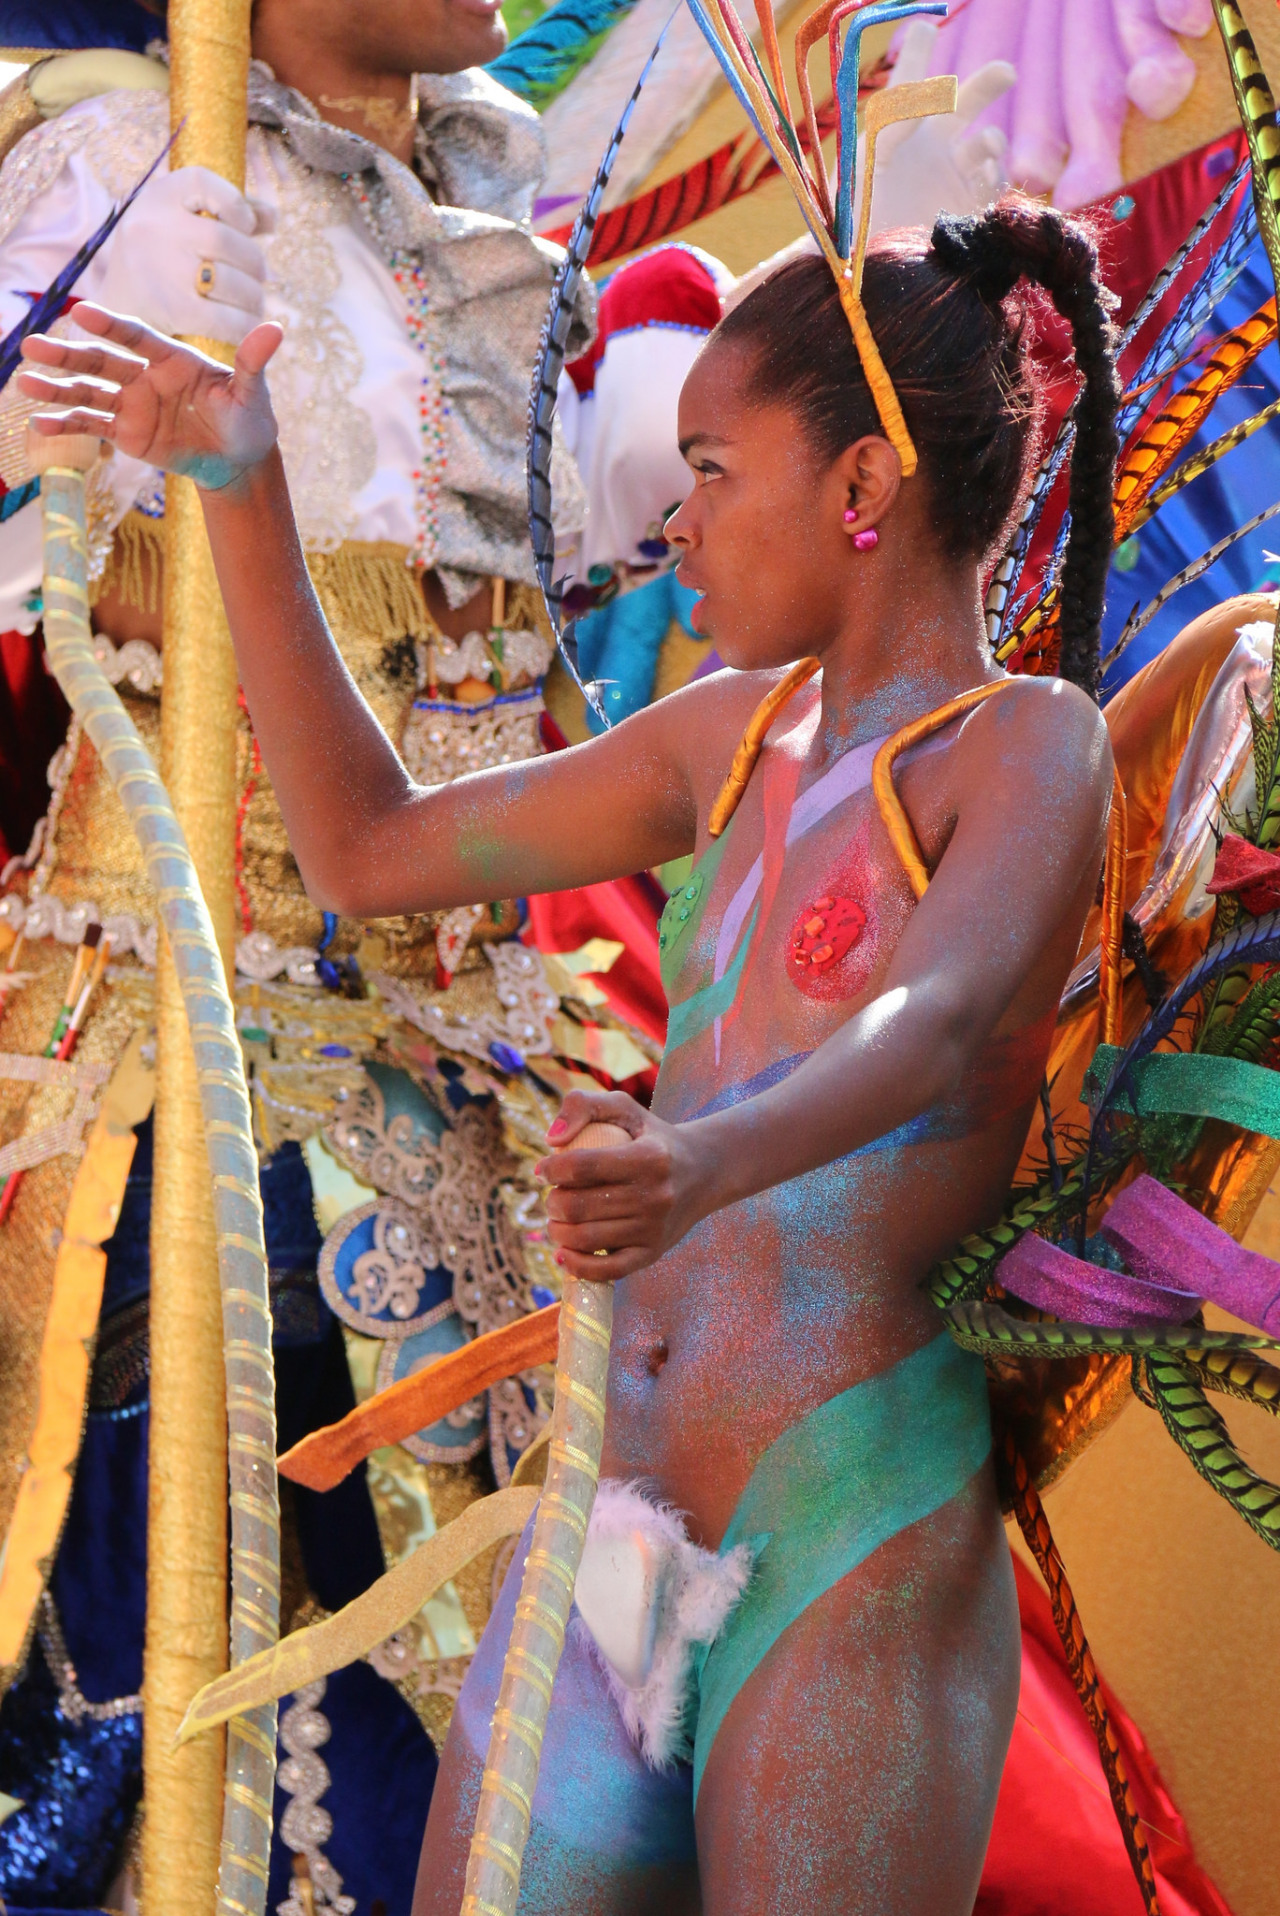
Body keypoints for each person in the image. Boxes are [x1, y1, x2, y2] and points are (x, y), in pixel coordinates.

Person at [20, 173, 1122, 1910]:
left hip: (841, 1519)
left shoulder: (1024, 745)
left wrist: (702, 1158)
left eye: (708, 472)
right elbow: (368, 846)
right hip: (621, 1531)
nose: (673, 525)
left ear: (860, 485)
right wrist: (242, 487)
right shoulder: (718, 740)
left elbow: (942, 1018)